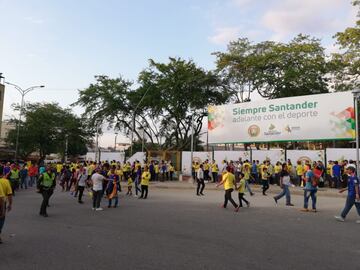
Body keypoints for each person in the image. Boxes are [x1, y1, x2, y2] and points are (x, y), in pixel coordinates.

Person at [0, 167, 13, 243]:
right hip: (2, 203)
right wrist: (10, 204)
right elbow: (9, 194)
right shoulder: (6, 181)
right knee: (1, 218)